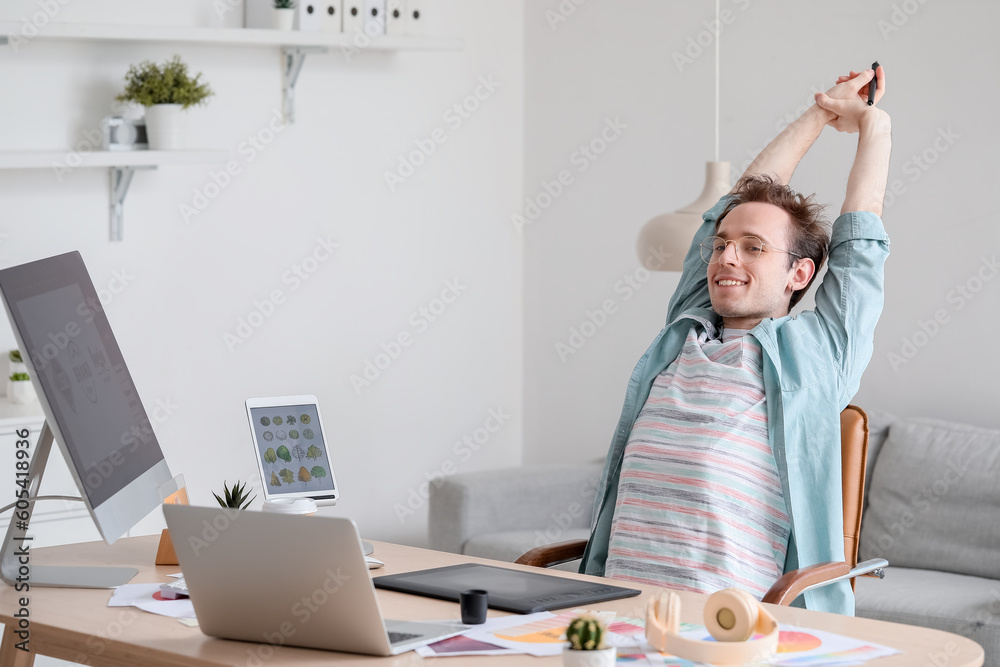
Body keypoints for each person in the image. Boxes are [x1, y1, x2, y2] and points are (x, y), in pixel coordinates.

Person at [579, 66, 892, 616]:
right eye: (723, 245)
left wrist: (873, 124)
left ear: (800, 274)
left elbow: (861, 245)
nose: (726, 256)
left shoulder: (817, 355)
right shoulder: (686, 330)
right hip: (617, 615)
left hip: (725, 630)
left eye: (753, 248)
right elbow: (733, 204)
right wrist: (820, 111)